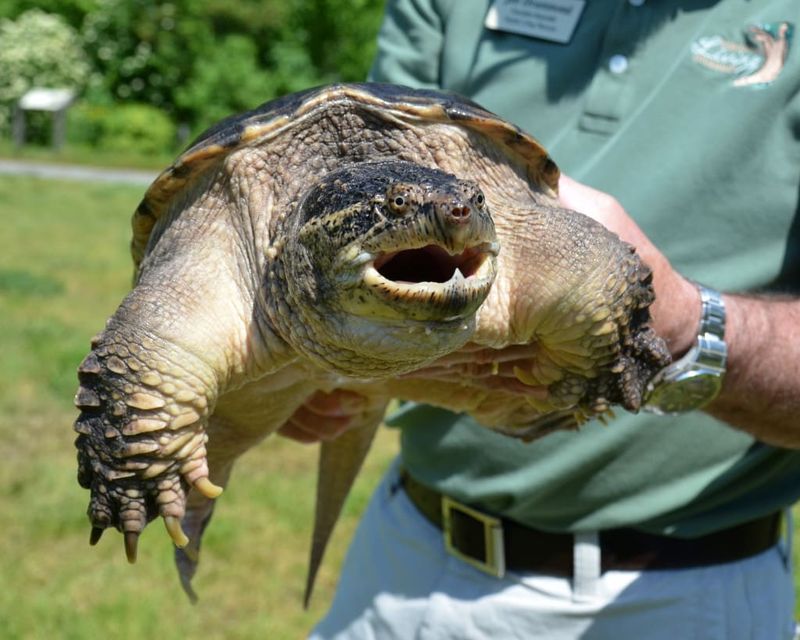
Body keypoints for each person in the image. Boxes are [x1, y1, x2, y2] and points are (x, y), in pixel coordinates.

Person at [284, 2, 800, 638]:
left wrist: (687, 329)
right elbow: (348, 177)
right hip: (408, 561)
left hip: (675, 596)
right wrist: (299, 353)